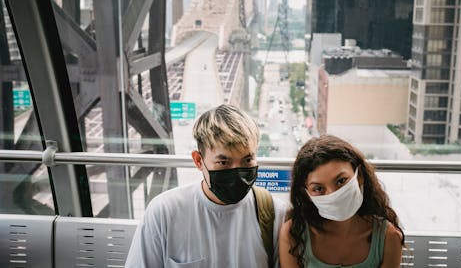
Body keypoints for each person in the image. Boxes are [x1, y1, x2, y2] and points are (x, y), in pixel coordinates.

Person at [125, 104, 288, 268]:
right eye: (223, 162)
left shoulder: (275, 213)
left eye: (247, 160)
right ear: (198, 161)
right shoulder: (164, 213)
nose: (237, 172)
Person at [279, 135, 404, 268]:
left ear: (359, 176)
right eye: (318, 188)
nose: (333, 194)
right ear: (307, 194)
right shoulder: (294, 234)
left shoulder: (388, 237)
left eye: (341, 181)